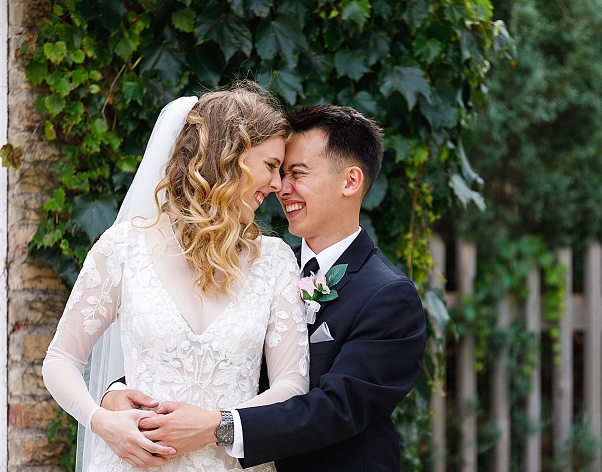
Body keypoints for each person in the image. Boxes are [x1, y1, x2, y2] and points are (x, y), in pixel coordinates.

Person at [105, 104, 428, 471]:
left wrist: (220, 427)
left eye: (297, 173)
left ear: (350, 181)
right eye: (277, 171)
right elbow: (204, 349)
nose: (280, 188)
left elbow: (335, 409)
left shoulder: (389, 297)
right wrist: (117, 393)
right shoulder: (259, 266)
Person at [42, 86, 310, 472]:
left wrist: (218, 426)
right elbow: (60, 359)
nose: (276, 185)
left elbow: (292, 386)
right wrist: (104, 422)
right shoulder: (123, 247)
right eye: (271, 165)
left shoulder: (274, 261)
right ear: (229, 154)